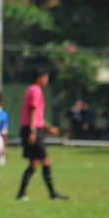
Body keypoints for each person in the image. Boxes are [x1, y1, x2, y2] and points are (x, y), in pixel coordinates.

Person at [15, 66, 68, 201]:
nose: (47, 80)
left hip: (31, 128)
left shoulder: (31, 89)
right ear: (39, 78)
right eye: (46, 77)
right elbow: (33, 112)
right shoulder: (36, 90)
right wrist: (33, 131)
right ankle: (53, 194)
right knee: (45, 161)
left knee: (34, 163)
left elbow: (37, 115)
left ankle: (21, 193)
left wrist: (48, 128)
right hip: (32, 129)